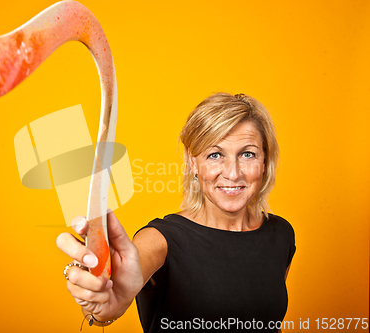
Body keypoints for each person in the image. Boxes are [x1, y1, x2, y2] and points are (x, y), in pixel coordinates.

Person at [56, 92, 296, 332]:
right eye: (215, 155)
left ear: (264, 162)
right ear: (193, 163)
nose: (232, 173)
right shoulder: (160, 239)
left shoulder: (281, 234)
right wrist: (102, 297)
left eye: (248, 154)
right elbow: (123, 280)